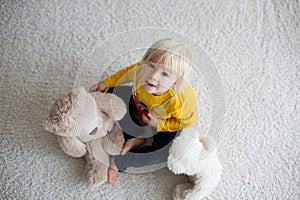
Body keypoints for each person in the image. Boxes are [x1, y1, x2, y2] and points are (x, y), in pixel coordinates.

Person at [90, 38, 197, 184]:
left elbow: (185, 122)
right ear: (143, 62)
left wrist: (159, 124)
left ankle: (121, 161)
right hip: (141, 107)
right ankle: (135, 137)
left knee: (165, 152)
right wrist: (105, 83)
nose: (153, 76)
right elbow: (124, 75)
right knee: (112, 92)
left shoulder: (180, 102)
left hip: (165, 124)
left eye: (165, 74)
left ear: (175, 83)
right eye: (151, 66)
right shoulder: (140, 71)